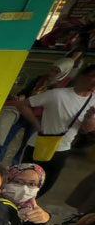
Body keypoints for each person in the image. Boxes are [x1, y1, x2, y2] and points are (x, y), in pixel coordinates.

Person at [15, 64, 95, 194]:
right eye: (93, 77)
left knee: (44, 186)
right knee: (22, 182)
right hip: (38, 144)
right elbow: (22, 104)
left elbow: (87, 129)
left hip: (62, 148)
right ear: (82, 76)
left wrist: (89, 117)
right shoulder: (57, 94)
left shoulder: (93, 101)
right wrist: (36, 124)